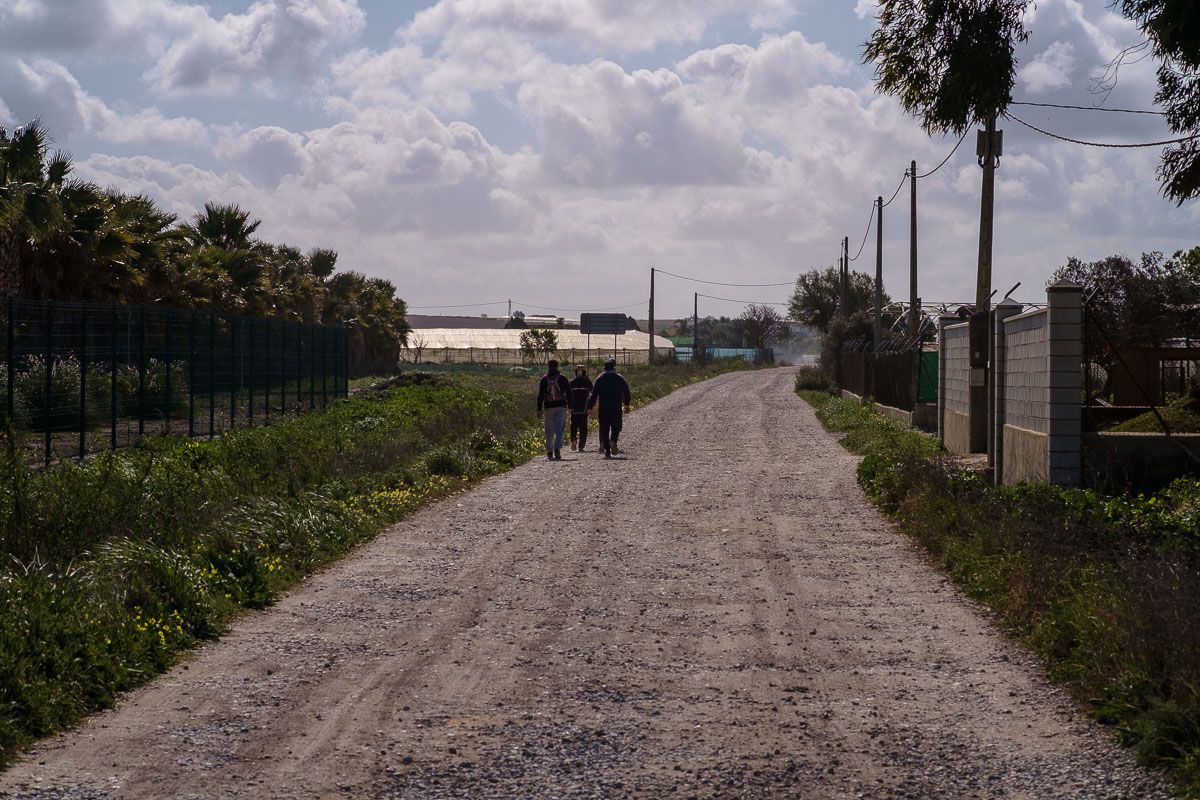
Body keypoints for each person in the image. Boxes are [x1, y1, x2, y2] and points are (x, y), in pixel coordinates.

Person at [587, 358, 631, 459]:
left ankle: (607, 452)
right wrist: (626, 404)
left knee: (604, 429)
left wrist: (590, 407)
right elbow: (626, 391)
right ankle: (613, 441)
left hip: (603, 408)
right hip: (616, 407)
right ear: (614, 368)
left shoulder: (600, 379)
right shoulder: (619, 378)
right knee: (616, 426)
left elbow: (594, 394)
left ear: (604, 368)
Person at [536, 359, 571, 461]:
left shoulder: (544, 379)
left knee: (549, 430)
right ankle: (557, 449)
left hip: (548, 407)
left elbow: (540, 395)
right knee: (559, 429)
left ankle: (549, 451)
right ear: (557, 366)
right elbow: (569, 393)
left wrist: (539, 409)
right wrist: (570, 406)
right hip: (561, 406)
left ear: (548, 366)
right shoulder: (563, 378)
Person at [568, 364, 593, 452]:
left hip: (574, 409)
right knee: (583, 428)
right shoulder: (587, 382)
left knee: (573, 426)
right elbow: (592, 394)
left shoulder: (571, 382)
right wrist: (590, 407)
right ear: (584, 373)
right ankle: (581, 446)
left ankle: (574, 439)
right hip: (584, 408)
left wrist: (569, 407)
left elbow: (568, 396)